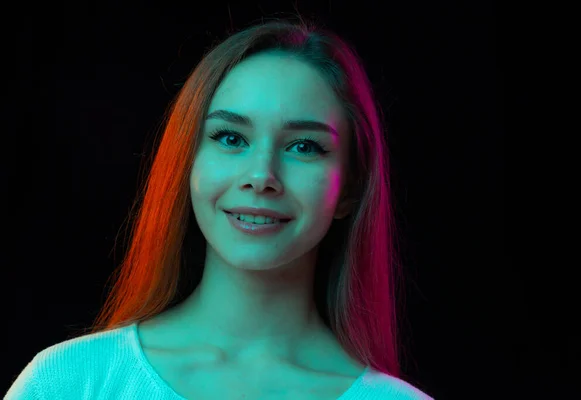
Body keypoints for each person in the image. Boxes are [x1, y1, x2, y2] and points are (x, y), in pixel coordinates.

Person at [6, 16, 434, 400]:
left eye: (304, 146)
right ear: (187, 161)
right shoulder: (68, 383)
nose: (261, 175)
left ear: (350, 190)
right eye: (231, 138)